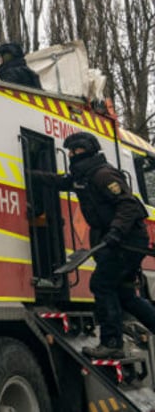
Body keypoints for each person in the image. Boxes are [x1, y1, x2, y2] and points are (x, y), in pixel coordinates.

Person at [47, 132, 155, 358]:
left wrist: (116, 231)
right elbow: (61, 182)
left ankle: (112, 343)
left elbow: (128, 205)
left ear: (84, 150)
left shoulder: (103, 175)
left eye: (73, 151)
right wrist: (34, 176)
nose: (70, 155)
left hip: (127, 241)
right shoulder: (84, 177)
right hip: (120, 241)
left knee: (101, 284)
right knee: (126, 295)